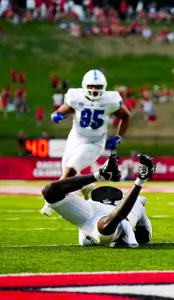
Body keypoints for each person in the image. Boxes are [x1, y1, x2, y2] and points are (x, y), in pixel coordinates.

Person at [40, 69, 131, 217]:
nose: (94, 90)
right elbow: (65, 109)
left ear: (104, 87)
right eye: (91, 86)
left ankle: (50, 202)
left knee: (70, 171)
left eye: (98, 87)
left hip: (94, 142)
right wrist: (57, 114)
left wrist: (118, 137)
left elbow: (126, 116)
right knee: (66, 170)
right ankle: (86, 186)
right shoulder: (76, 97)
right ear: (84, 86)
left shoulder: (110, 99)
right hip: (75, 138)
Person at [42, 153, 155, 248]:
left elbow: (145, 237)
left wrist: (124, 236)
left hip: (99, 225)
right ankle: (101, 174)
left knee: (106, 227)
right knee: (50, 192)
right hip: (91, 213)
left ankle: (141, 179)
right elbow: (145, 236)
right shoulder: (136, 203)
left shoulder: (137, 204)